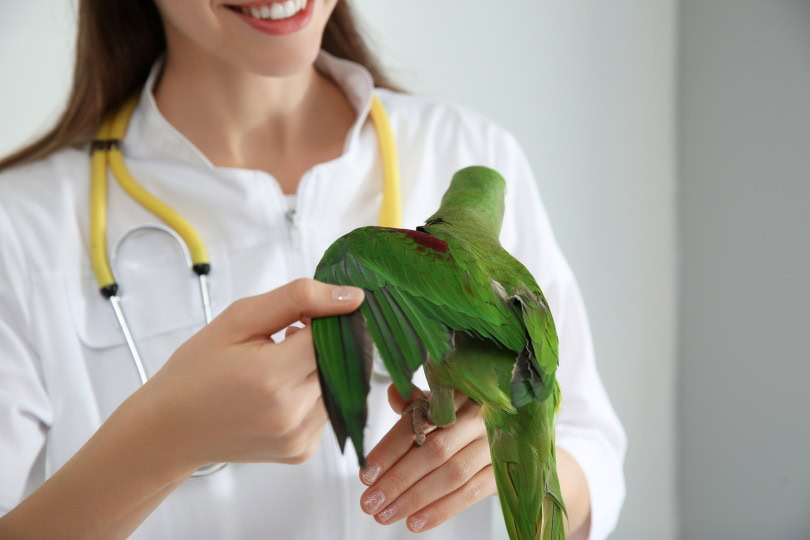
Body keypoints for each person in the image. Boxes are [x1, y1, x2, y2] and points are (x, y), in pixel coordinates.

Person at [0, 1, 626, 538]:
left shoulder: (471, 157)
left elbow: (591, 449)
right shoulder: (22, 226)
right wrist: (161, 441)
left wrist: (519, 461)